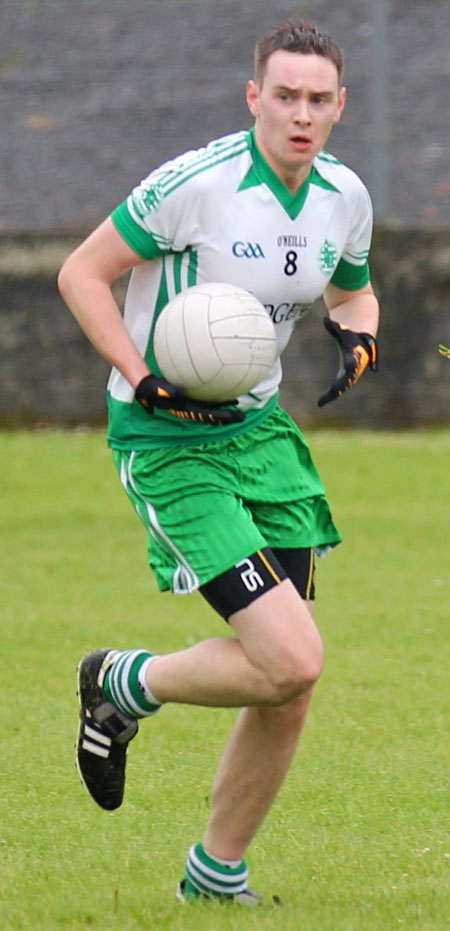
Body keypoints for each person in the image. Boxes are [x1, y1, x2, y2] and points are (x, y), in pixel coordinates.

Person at [58, 18, 379, 906]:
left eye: (319, 99)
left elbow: (353, 286)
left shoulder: (343, 195)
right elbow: (82, 274)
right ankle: (121, 682)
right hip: (171, 444)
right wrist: (141, 375)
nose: (301, 114)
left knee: (286, 683)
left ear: (340, 105)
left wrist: (360, 334)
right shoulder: (194, 188)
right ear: (254, 98)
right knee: (293, 655)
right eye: (286, 96)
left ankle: (214, 877)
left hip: (262, 435)